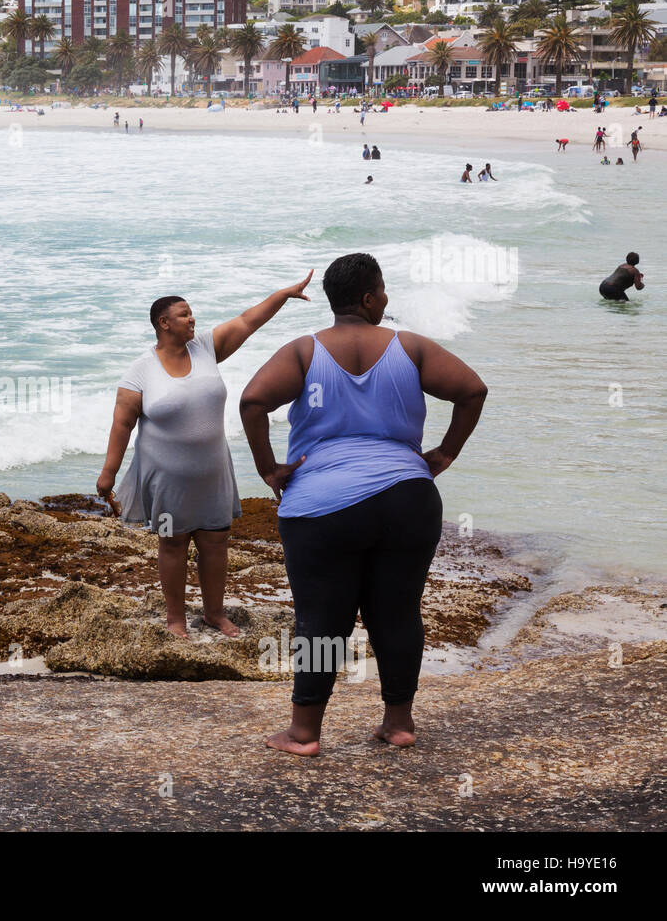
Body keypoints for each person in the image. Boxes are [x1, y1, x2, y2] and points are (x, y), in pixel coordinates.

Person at [239, 253, 488, 756]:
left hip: (321, 504)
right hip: (407, 496)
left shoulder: (304, 352)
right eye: (384, 291)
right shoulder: (410, 347)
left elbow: (251, 402)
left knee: (321, 619)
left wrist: (270, 470)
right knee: (396, 613)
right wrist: (442, 454)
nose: (387, 299)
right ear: (370, 298)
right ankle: (398, 725)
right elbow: (473, 391)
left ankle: (304, 733)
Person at [98, 276, 314, 640]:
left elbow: (248, 321)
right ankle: (176, 620)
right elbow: (122, 424)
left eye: (192, 314)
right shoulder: (141, 370)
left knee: (215, 542)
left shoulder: (206, 348)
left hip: (213, 472)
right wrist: (108, 474)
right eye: (184, 315)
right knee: (172, 543)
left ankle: (214, 614)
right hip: (165, 478)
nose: (192, 320)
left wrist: (282, 295)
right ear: (163, 323)